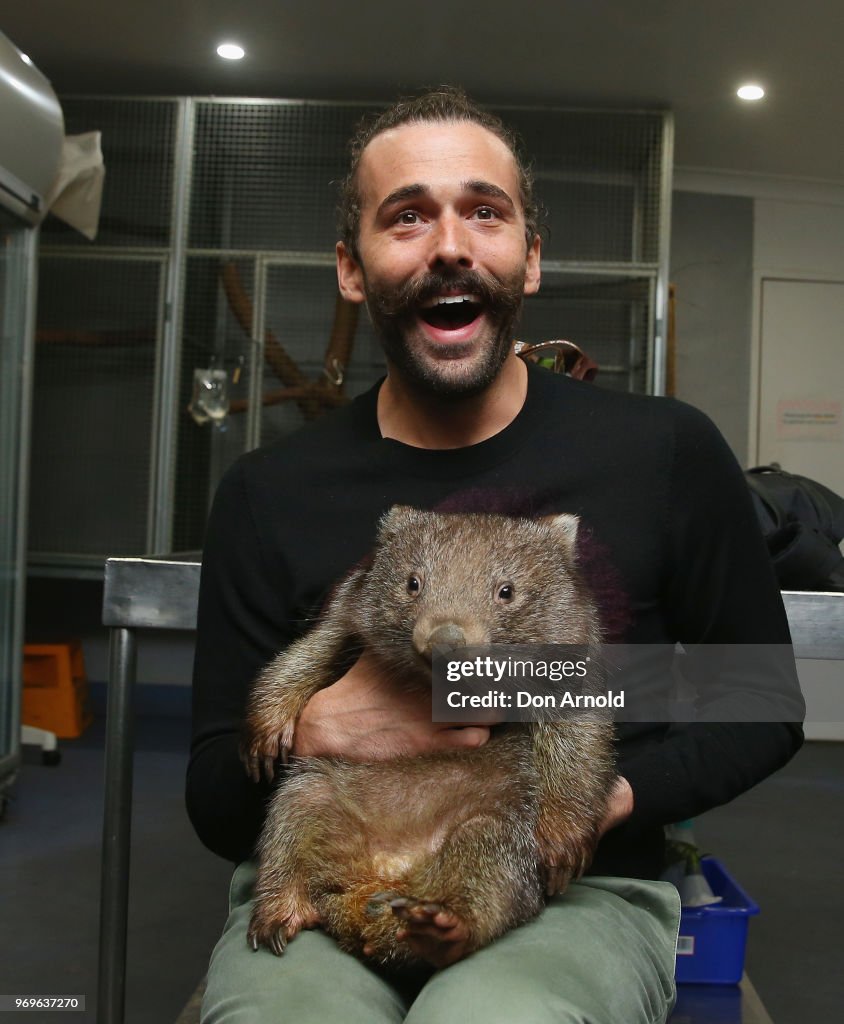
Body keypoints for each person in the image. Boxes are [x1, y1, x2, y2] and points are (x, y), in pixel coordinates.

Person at [187, 86, 803, 1023]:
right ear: (351, 270)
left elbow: (759, 700)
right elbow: (211, 795)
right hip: (340, 846)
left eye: (485, 211)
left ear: (531, 259)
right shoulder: (268, 491)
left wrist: (602, 796)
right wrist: (319, 729)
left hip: (571, 871)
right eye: (407, 216)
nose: (449, 245)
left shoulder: (664, 451)